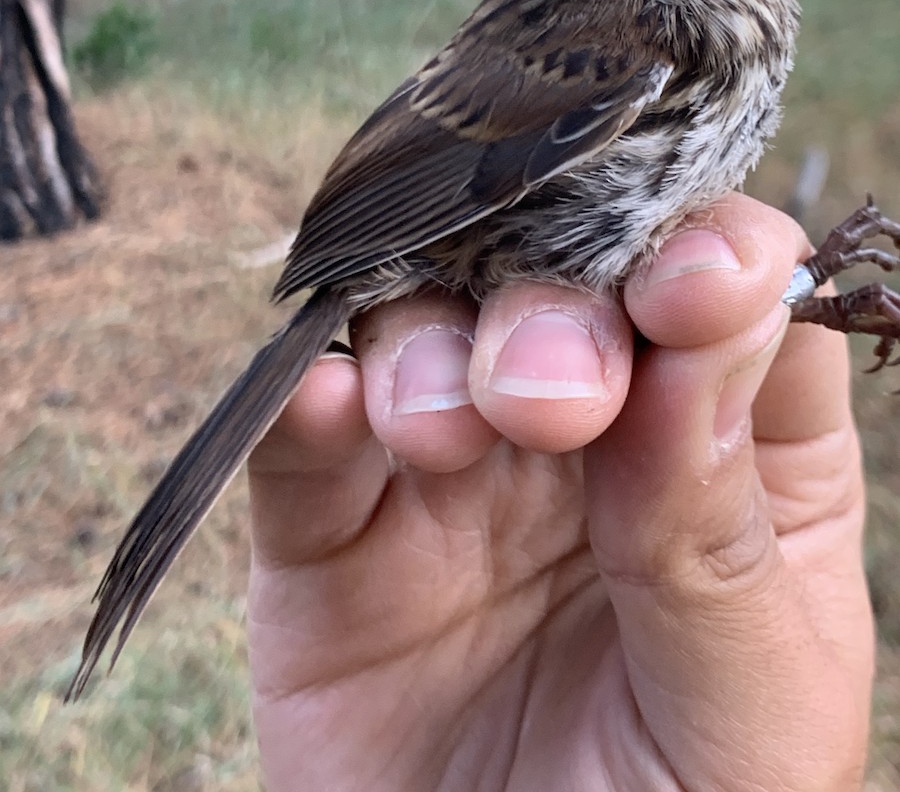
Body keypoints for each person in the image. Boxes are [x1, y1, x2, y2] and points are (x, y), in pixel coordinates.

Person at [246, 193, 873, 791]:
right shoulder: (643, 75)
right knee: (687, 293)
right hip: (454, 239)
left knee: (689, 295)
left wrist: (787, 297)